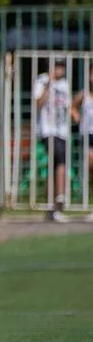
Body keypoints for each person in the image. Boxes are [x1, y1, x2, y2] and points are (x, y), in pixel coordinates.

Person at [34, 56, 70, 222]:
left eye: (62, 66)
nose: (60, 69)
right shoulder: (41, 80)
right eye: (57, 66)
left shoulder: (65, 84)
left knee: (58, 163)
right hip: (47, 130)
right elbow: (39, 103)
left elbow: (67, 107)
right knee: (58, 158)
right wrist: (49, 84)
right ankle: (58, 198)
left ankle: (55, 202)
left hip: (62, 130)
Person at [71, 62, 93, 222]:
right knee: (91, 164)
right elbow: (72, 106)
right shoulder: (84, 94)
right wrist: (77, 117)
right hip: (88, 135)